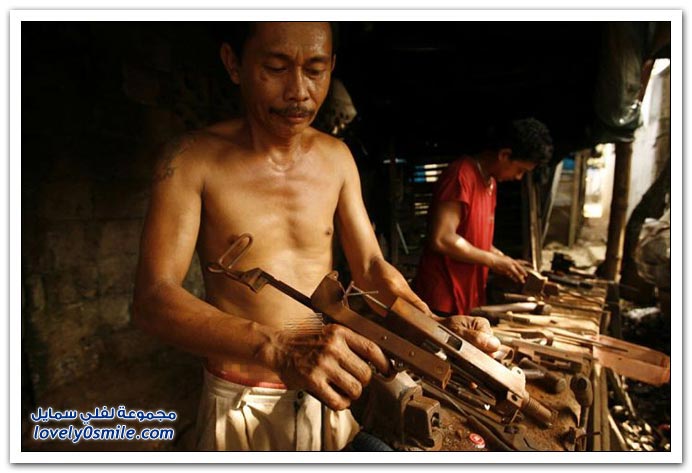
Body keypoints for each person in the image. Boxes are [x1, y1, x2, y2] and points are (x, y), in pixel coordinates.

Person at [133, 22, 499, 452]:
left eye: (315, 70)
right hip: (243, 399)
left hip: (328, 392)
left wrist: (434, 328)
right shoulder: (191, 160)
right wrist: (278, 348)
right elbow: (153, 299)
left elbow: (370, 268)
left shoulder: (336, 158)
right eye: (276, 67)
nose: (299, 92)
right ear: (234, 63)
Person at [415, 118, 553, 317]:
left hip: (468, 295)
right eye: (520, 170)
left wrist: (503, 259)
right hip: (442, 296)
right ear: (504, 155)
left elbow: (474, 239)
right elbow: (442, 238)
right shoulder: (460, 176)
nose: (518, 177)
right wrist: (493, 261)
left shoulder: (490, 184)